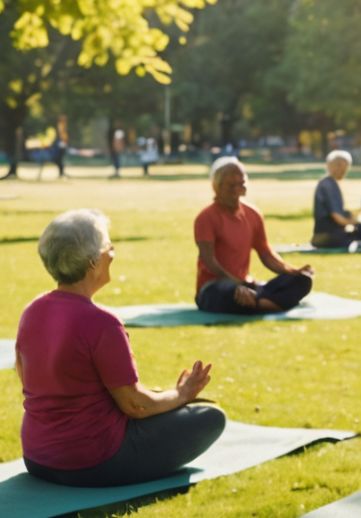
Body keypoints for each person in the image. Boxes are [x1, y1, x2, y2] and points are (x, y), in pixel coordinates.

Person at [18, 209, 226, 487]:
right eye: (108, 246)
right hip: (93, 462)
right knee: (210, 417)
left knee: (171, 409)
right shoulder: (102, 323)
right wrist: (181, 395)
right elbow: (135, 406)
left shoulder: (32, 311)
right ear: (92, 261)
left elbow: (28, 378)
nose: (113, 252)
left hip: (37, 459)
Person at [195, 156, 315, 314]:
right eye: (232, 185)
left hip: (247, 285)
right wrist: (237, 285)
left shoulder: (253, 214)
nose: (238, 188)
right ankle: (265, 303)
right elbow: (210, 261)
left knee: (302, 281)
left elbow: (266, 254)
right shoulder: (206, 217)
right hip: (215, 287)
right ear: (217, 187)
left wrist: (293, 271)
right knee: (232, 294)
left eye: (242, 183)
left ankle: (257, 303)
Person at [312, 151, 361, 248]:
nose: (343, 170)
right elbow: (338, 218)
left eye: (346, 167)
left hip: (329, 235)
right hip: (327, 237)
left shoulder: (328, 184)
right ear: (333, 165)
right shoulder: (329, 185)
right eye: (341, 166)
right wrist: (354, 222)